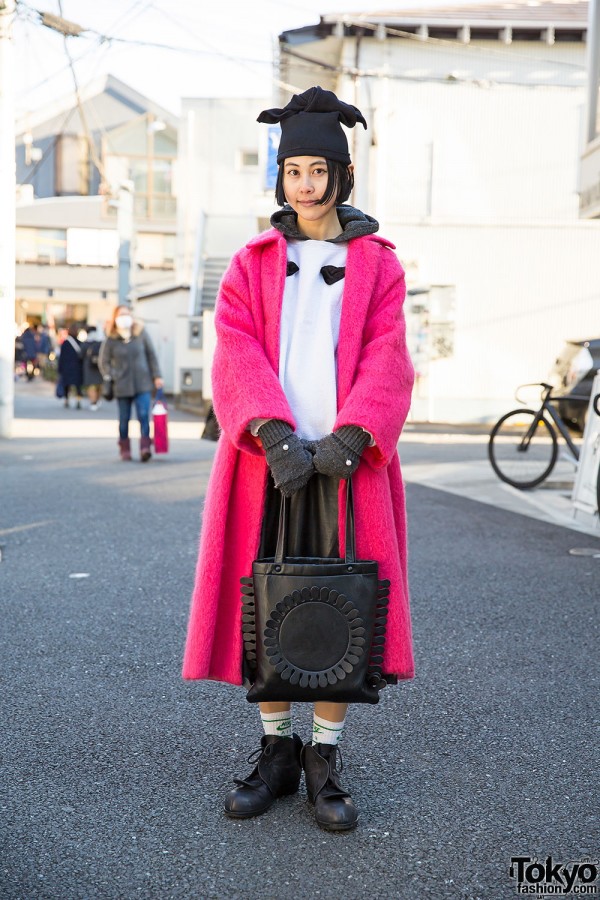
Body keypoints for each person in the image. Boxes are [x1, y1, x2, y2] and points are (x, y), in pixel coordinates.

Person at [182, 87, 415, 832]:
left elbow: (389, 355)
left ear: (343, 175)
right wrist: (273, 435)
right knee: (264, 609)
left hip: (346, 465)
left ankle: (325, 758)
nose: (307, 183)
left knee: (342, 611)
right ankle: (275, 750)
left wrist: (352, 438)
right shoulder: (254, 260)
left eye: (319, 169)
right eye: (294, 170)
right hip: (269, 465)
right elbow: (236, 348)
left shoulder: (378, 262)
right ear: (279, 178)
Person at [99, 305, 164, 461]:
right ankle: (124, 448)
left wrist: (157, 376)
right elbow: (104, 362)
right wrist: (112, 375)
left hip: (143, 382)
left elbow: (151, 355)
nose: (125, 317)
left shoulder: (141, 333)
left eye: (127, 314)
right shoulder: (111, 339)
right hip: (121, 385)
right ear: (115, 318)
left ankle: (145, 447)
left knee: (143, 415)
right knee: (124, 419)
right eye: (121, 315)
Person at [57, 323, 84, 409]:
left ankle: (66, 400)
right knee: (78, 385)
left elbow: (61, 357)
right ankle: (78, 400)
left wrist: (60, 368)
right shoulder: (80, 343)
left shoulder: (65, 343)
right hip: (77, 367)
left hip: (66, 367)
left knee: (66, 384)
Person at [82, 326, 104, 410]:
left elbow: (81, 355)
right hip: (99, 366)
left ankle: (93, 402)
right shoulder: (100, 343)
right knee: (98, 385)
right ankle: (96, 401)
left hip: (89, 367)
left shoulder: (85, 344)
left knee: (91, 386)